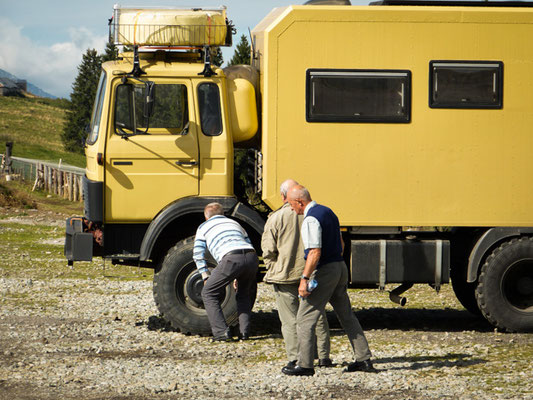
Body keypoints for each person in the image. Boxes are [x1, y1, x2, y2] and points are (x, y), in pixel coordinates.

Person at [282, 185, 375, 376]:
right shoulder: (328, 212)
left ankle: (305, 365)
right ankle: (363, 358)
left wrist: (304, 279)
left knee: (304, 317)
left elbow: (314, 252)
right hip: (339, 266)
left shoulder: (311, 219)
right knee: (346, 314)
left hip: (325, 269)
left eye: (292, 204)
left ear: (300, 202)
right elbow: (340, 243)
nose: (292, 209)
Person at [261, 179, 332, 369]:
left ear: (284, 197)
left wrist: (273, 265)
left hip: (284, 274)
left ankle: (296, 357)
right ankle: (324, 356)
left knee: (290, 319)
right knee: (317, 314)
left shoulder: (275, 218)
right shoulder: (313, 214)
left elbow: (267, 249)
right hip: (309, 271)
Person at [193, 202, 259, 341]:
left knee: (208, 293)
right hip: (251, 257)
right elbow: (248, 244)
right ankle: (244, 333)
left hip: (231, 258)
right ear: (223, 214)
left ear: (206, 217)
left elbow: (197, 254)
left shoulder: (203, 227)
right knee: (243, 294)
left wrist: (205, 276)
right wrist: (237, 274)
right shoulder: (235, 223)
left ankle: (221, 332)